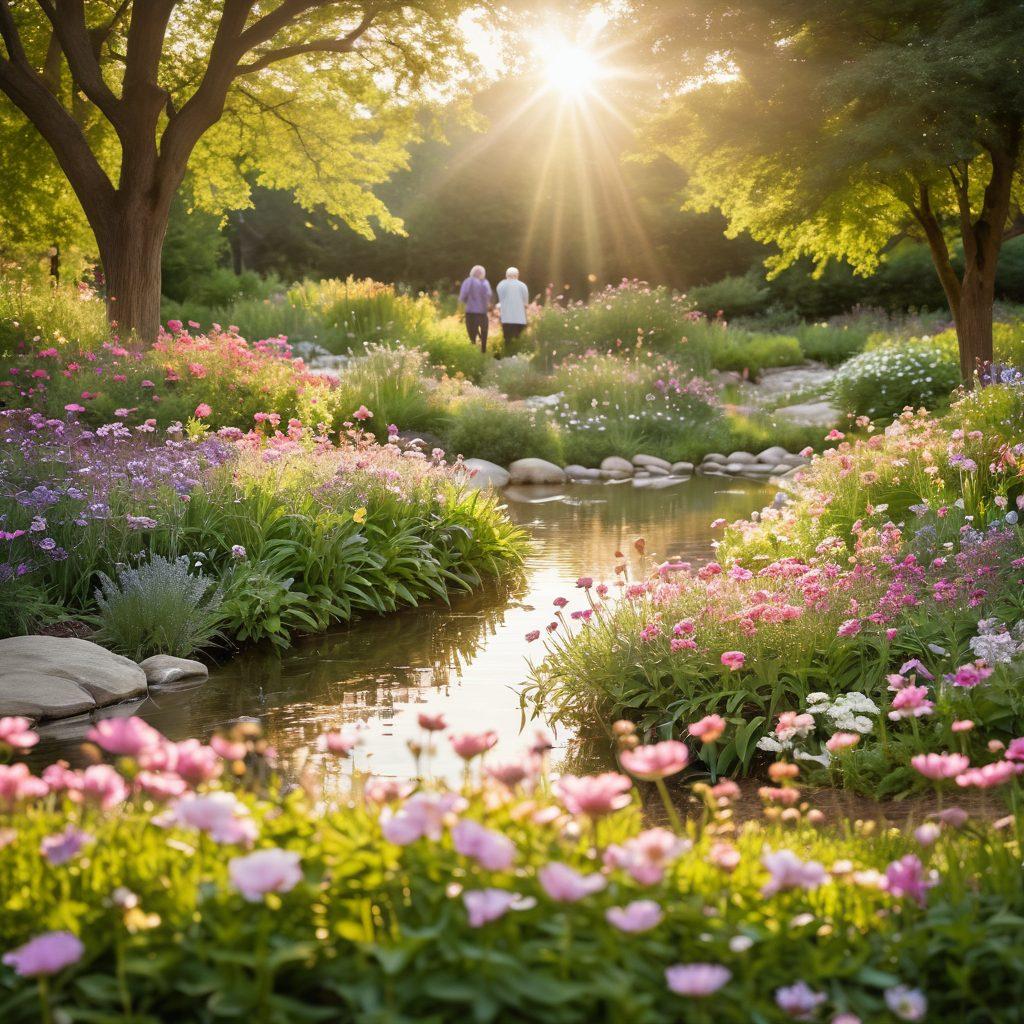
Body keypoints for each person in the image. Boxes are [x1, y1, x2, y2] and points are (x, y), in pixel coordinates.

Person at [459, 265, 492, 352]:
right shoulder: (485, 282)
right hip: (482, 313)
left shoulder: (468, 281)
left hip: (470, 312)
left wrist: (467, 302)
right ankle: (483, 350)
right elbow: (488, 295)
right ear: (482, 273)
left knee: (472, 334)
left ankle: (473, 351)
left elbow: (463, 296)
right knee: (484, 332)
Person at [496, 267, 530, 346]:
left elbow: (501, 301)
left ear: (506, 275)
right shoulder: (523, 286)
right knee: (518, 339)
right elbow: (526, 304)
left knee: (507, 340)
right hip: (520, 318)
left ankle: (507, 354)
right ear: (517, 275)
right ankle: (518, 354)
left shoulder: (501, 285)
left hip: (506, 318)